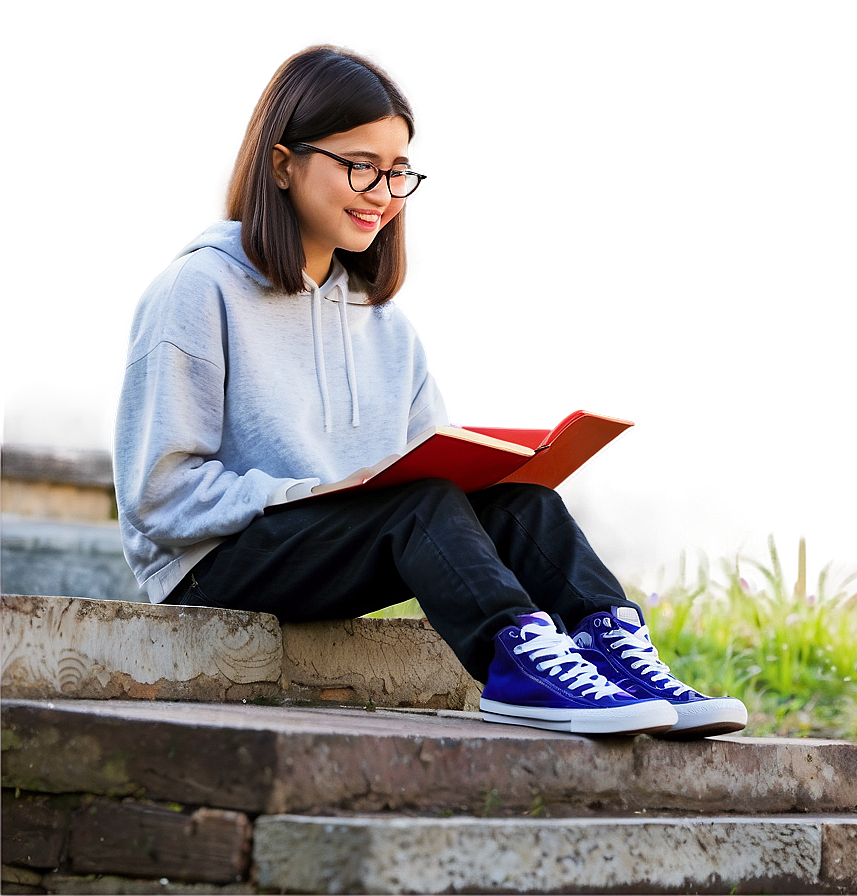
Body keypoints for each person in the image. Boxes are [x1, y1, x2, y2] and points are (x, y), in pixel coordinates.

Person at [113, 44, 747, 738]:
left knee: (522, 504)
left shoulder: (388, 330)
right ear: (282, 163)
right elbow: (160, 499)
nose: (382, 194)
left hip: (334, 550)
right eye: (360, 167)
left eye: (397, 174)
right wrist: (310, 493)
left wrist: (498, 473)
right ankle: (517, 670)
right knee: (419, 505)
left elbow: (438, 473)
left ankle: (614, 650)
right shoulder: (197, 291)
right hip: (210, 569)